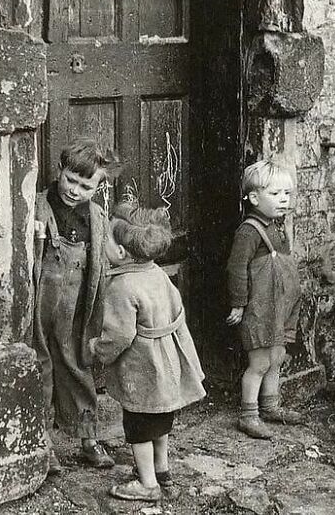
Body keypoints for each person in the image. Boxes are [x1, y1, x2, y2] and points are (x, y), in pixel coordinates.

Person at [91, 201, 206, 503]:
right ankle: (162, 469)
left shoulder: (122, 286)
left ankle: (147, 483)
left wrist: (96, 349)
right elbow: (177, 309)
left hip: (143, 369)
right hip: (166, 365)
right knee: (160, 421)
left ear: (120, 252)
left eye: (105, 239)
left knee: (138, 428)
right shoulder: (157, 273)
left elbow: (119, 335)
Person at [32, 138, 119, 474]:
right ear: (59, 171)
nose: (75, 190)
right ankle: (43, 443)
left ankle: (88, 437)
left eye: (85, 186)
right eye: (70, 180)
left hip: (75, 305)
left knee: (77, 366)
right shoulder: (38, 205)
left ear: (98, 187)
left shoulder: (96, 217)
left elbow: (103, 262)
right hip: (41, 303)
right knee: (41, 367)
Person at [226, 159, 304, 440]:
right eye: (275, 194)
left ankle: (270, 405)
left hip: (280, 307)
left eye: (287, 194)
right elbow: (236, 268)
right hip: (260, 309)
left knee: (277, 357)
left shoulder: (277, 226)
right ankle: (248, 415)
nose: (283, 200)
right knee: (259, 362)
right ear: (255, 197)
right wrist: (238, 303)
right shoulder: (249, 231)